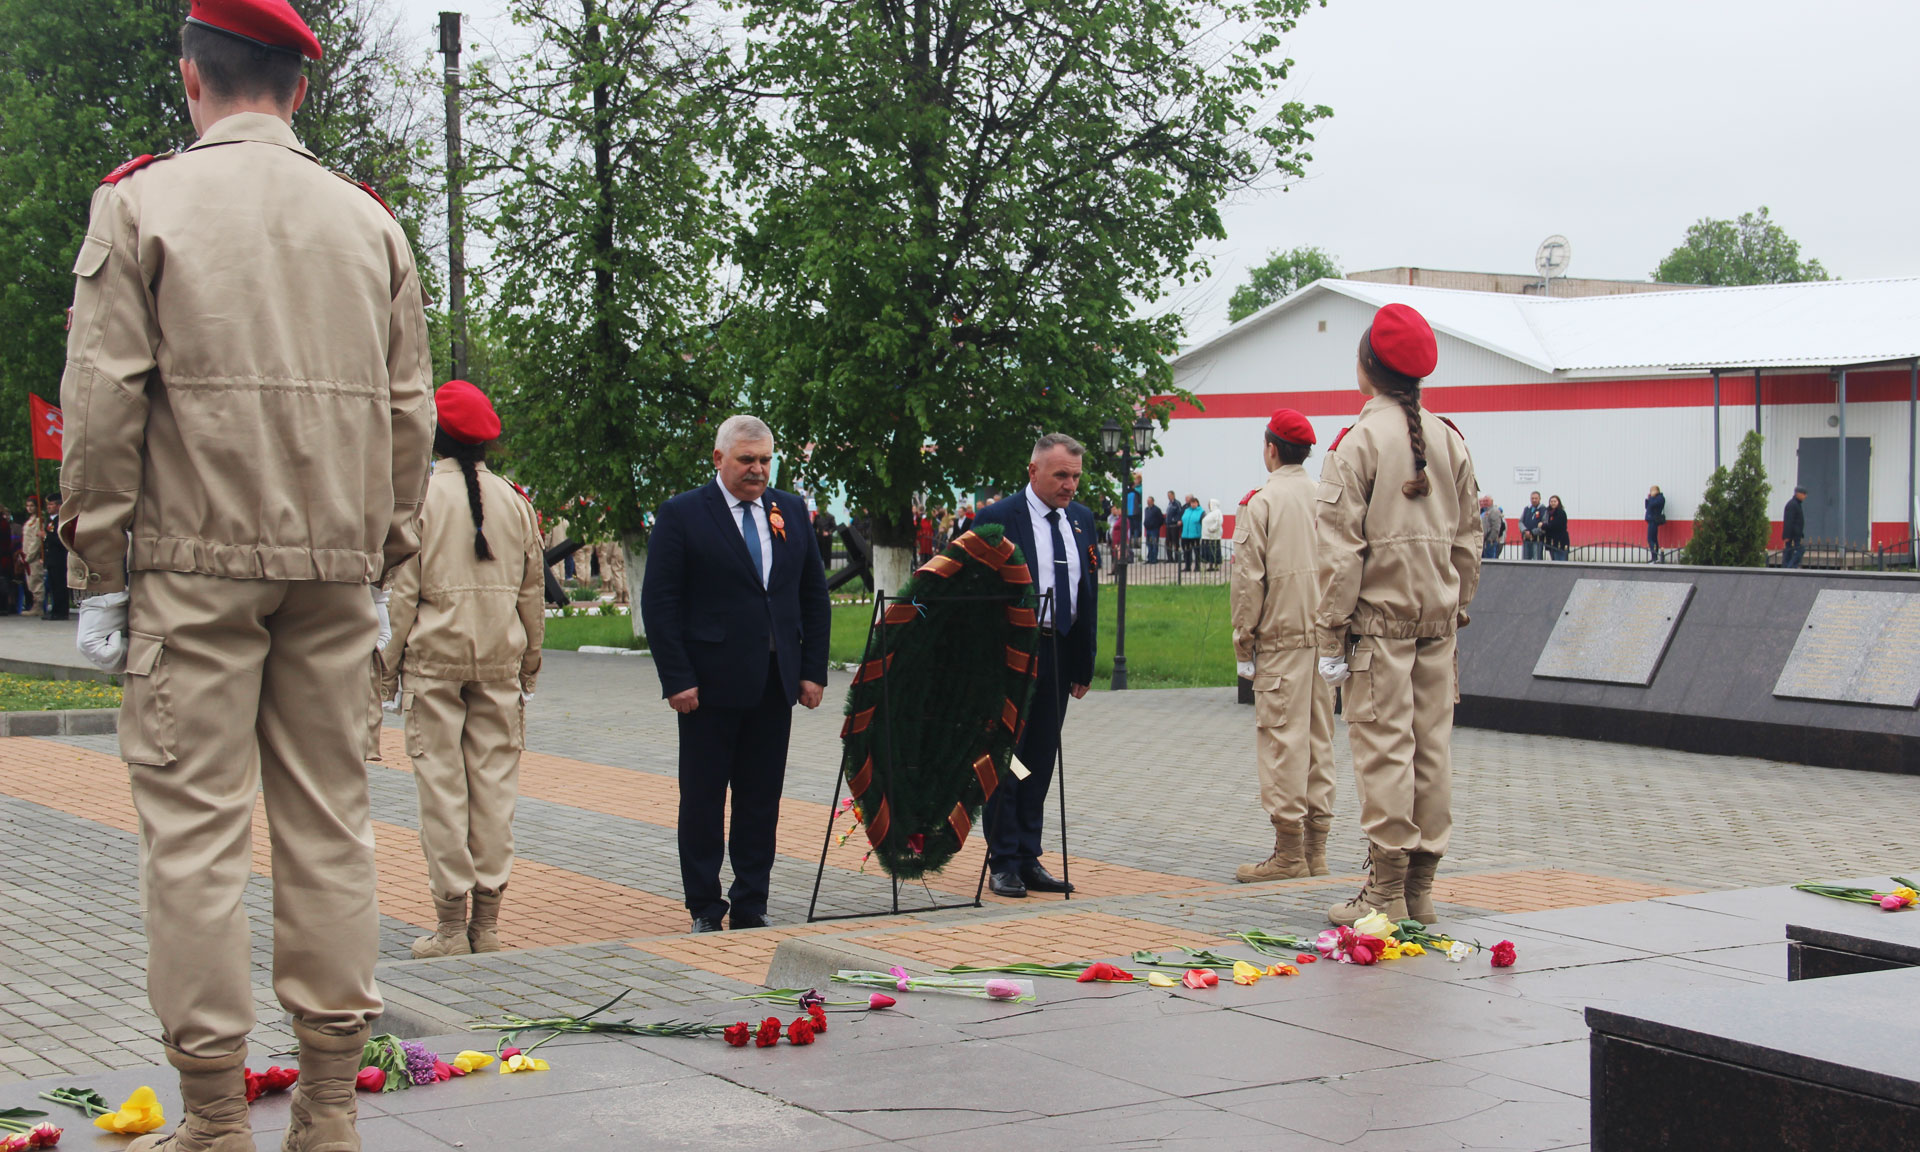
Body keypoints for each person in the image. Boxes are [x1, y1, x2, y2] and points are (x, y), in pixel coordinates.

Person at [56, 2, 435, 1146]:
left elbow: (103, 401)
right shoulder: (370, 225)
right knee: (332, 828)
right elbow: (409, 418)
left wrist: (99, 568)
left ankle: (217, 1121)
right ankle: (329, 1111)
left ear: (191, 78)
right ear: (300, 88)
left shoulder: (139, 205)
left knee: (195, 842)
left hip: (193, 563)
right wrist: (384, 559)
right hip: (333, 571)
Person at [1316, 303, 1479, 929]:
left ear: (1367, 367)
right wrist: (1457, 606)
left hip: (1377, 630)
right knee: (1431, 752)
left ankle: (1383, 892)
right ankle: (1420, 892)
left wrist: (1330, 635)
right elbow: (1468, 541)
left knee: (1385, 751)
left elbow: (1341, 554)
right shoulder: (1450, 439)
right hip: (1437, 627)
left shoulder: (1356, 443)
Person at [640, 414, 830, 932]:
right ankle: (704, 906)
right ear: (719, 459)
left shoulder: (790, 509)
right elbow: (660, 603)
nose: (758, 470)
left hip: (773, 682)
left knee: (760, 799)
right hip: (708, 686)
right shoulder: (683, 514)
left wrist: (811, 670)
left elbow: (813, 595)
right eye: (747, 460)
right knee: (703, 801)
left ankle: (751, 901)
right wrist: (677, 678)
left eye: (766, 460)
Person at [381, 381, 545, 960]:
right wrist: (529, 665)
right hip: (499, 662)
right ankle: (488, 926)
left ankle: (450, 928)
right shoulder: (515, 502)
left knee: (443, 792)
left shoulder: (419, 500)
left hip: (433, 664)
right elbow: (531, 594)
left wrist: (384, 671)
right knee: (495, 792)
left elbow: (401, 595)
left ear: (437, 437)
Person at [973, 434, 1097, 898]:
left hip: (1058, 653)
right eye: (1061, 475)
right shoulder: (998, 519)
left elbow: (1087, 594)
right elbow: (974, 591)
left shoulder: (1081, 520)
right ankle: (1003, 859)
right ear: (1033, 471)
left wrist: (1083, 662)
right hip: (1011, 655)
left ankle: (1028, 855)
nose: (1070, 485)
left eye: (1075, 477)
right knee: (1007, 759)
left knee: (1040, 758)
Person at [1231, 409, 1338, 882]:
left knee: (1282, 744)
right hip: (1324, 641)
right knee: (1319, 743)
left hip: (1280, 640)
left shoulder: (1262, 503)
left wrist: (1244, 643)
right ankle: (1316, 851)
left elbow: (1247, 584)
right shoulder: (1327, 498)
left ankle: (1289, 854)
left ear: (1271, 449)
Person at [40, 494, 70, 620]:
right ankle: (55, 610)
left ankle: (61, 611)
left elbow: (61, 540)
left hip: (59, 558)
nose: (48, 507)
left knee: (60, 586)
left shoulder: (60, 520)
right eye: (48, 505)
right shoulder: (50, 520)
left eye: (51, 504)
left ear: (58, 506)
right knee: (53, 586)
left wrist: (46, 536)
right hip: (51, 558)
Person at [20, 495, 42, 613]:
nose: (29, 508)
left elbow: (36, 541)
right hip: (26, 555)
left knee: (36, 581)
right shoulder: (30, 520)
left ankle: (38, 606)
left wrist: (29, 556)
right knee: (30, 581)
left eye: (32, 505)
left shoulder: (38, 521)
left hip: (33, 556)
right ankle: (34, 605)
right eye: (27, 506)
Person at [1782, 485, 1807, 568]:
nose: (1805, 496)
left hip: (1796, 534)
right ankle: (1790, 567)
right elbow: (1789, 521)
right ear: (1798, 494)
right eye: (1803, 494)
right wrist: (1787, 536)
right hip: (1792, 535)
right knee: (1799, 550)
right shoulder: (1792, 505)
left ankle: (1787, 567)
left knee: (1789, 552)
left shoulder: (1797, 504)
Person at [1543, 495, 1570, 561]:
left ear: (1558, 502)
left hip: (1560, 541)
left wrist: (1543, 526)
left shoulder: (1561, 512)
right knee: (1554, 560)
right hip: (1551, 541)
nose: (1553, 503)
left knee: (1560, 561)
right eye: (1551, 501)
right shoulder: (1548, 513)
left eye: (1555, 501)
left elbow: (1555, 525)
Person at [1519, 491, 1544, 561]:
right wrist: (1525, 531)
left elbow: (1544, 524)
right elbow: (1520, 522)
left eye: (1536, 498)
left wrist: (1532, 533)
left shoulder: (1543, 509)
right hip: (1526, 539)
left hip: (1537, 539)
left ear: (1540, 499)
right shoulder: (1527, 509)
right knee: (1525, 560)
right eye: (1532, 498)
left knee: (1536, 561)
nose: (1534, 500)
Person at [1479, 495, 1505, 560]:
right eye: (1484, 501)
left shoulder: (1494, 511)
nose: (1484, 503)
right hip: (1483, 541)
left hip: (1489, 543)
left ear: (1492, 501)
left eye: (1486, 501)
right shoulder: (1484, 511)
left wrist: (1490, 539)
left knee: (1489, 561)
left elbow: (1496, 527)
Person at [1181, 495, 1203, 570]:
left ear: (1197, 503)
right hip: (1185, 535)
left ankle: (1197, 566)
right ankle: (1187, 566)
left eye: (1194, 503)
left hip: (1195, 535)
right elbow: (1183, 519)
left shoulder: (1201, 512)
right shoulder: (1187, 510)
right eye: (1192, 503)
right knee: (1187, 551)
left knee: (1196, 552)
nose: (1193, 504)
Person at [1644, 485, 1666, 562]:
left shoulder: (1660, 498)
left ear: (1657, 491)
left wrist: (1652, 497)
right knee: (1654, 539)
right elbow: (1647, 506)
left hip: (1654, 520)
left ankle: (1654, 557)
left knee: (1650, 539)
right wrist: (1649, 498)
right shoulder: (1653, 498)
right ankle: (1654, 557)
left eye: (1652, 491)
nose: (1651, 492)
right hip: (1651, 520)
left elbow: (1652, 504)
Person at [1201, 498, 1224, 568]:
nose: (1208, 505)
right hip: (1207, 536)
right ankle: (1210, 565)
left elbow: (1219, 522)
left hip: (1213, 536)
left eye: (1209, 503)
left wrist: (1212, 528)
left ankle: (1215, 565)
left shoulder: (1217, 512)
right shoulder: (1210, 513)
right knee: (1208, 551)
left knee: (1213, 551)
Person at [1142, 496, 1163, 564]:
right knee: (1149, 545)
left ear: (1153, 502)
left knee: (1154, 544)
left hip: (1154, 530)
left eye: (1149, 501)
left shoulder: (1156, 509)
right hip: (1148, 529)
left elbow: (1161, 519)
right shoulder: (1146, 509)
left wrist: (1156, 525)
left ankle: (1154, 559)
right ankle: (1149, 558)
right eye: (1147, 501)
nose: (1148, 502)